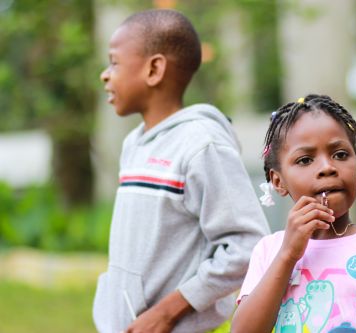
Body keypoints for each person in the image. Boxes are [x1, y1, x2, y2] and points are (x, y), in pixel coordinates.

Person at [92, 9, 270, 333]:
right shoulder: (134, 144)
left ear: (154, 69)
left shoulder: (203, 145)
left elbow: (248, 245)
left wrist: (167, 312)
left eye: (114, 62)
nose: (105, 74)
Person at [231, 94, 356, 333]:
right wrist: (287, 255)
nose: (327, 168)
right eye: (305, 160)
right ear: (278, 181)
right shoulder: (269, 252)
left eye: (340, 155)